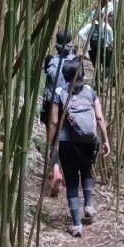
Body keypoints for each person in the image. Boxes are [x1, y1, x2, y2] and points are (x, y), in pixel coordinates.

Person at [48, 57, 110, 236]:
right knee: (86, 170)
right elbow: (99, 117)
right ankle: (88, 205)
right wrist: (105, 140)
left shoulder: (59, 92)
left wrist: (51, 145)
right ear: (82, 74)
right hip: (90, 142)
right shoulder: (91, 92)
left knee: (72, 181)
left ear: (65, 76)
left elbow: (53, 121)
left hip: (68, 143)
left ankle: (76, 224)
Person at [41, 29, 76, 196]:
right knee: (66, 138)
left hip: (50, 104)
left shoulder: (49, 60)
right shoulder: (76, 61)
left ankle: (55, 170)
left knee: (53, 138)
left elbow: (47, 80)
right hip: (68, 104)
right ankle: (65, 171)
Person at [77, 11, 114, 82]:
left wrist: (88, 40)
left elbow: (80, 33)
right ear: (103, 17)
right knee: (107, 66)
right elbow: (111, 39)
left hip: (93, 49)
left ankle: (97, 83)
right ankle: (101, 77)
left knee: (96, 68)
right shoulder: (106, 25)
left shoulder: (90, 25)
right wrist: (107, 43)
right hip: (103, 48)